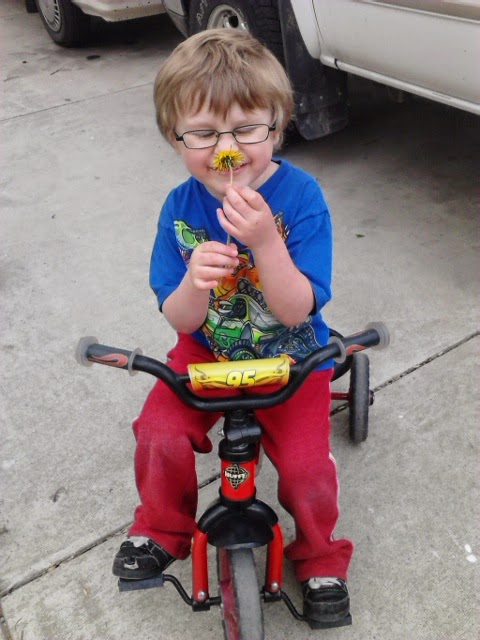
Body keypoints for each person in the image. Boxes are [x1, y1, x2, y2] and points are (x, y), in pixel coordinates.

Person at [113, 29, 353, 627]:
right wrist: (195, 283)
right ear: (174, 136)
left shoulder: (301, 197)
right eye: (204, 134)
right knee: (158, 432)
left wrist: (266, 243)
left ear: (277, 126)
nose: (228, 151)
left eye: (246, 130)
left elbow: (298, 310)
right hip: (207, 353)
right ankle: (161, 527)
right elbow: (178, 317)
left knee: (307, 466)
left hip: (290, 355)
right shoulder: (179, 208)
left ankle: (320, 556)